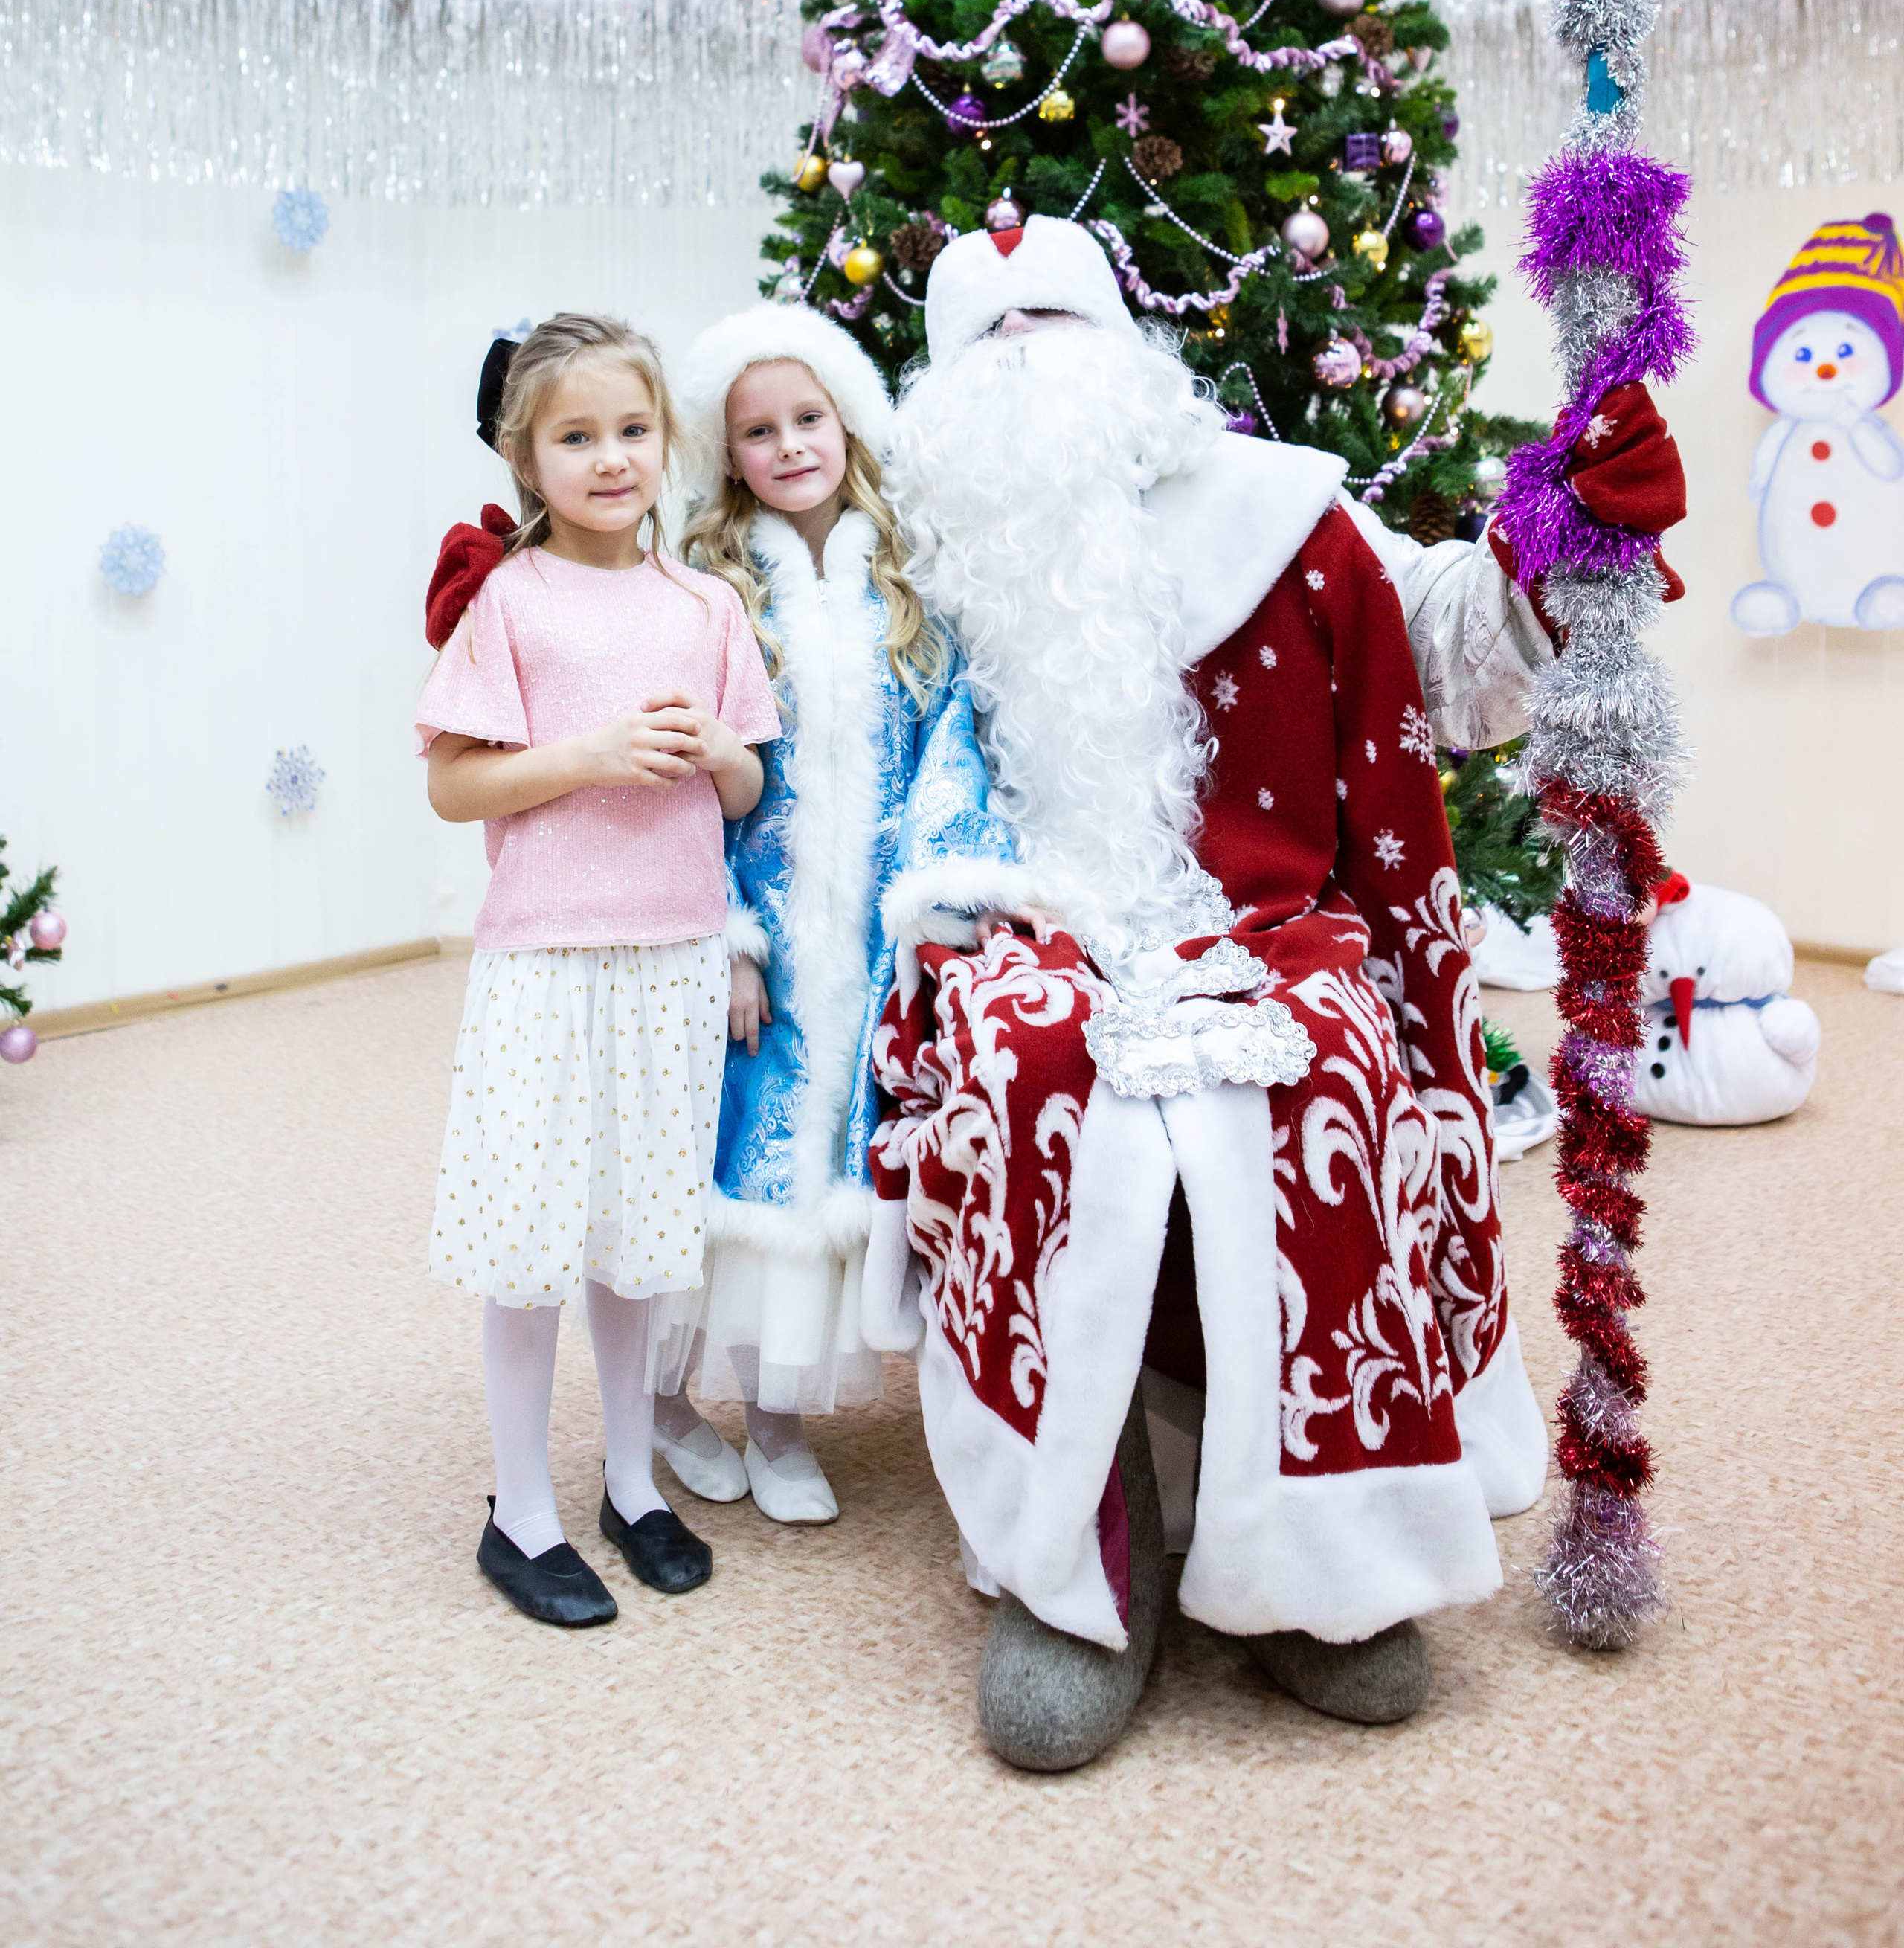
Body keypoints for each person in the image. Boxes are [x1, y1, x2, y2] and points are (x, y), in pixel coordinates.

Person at [859, 215, 1687, 1769]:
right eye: (990, 341)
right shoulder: (929, 556)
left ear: (1126, 349)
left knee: (1316, 1068)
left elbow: (1448, 659)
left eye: (1056, 324)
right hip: (1023, 919)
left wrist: (1560, 544)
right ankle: (1086, 1553)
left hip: (1274, 916)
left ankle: (1321, 1568)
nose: (1028, 363)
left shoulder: (1276, 509)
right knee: (1023, 1067)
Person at [416, 311, 781, 1627]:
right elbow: (456, 787)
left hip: (674, 956)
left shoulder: (707, 605)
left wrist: (712, 756)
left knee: (636, 1245)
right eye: (578, 436)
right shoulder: (511, 602)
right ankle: (521, 1512)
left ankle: (632, 1481)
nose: (611, 459)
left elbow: (747, 781)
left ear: (665, 444)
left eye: (633, 432)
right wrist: (589, 754)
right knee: (532, 1245)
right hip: (548, 957)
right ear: (529, 456)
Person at [641, 305, 1007, 1523]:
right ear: (728, 450)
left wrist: (938, 898)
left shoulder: (910, 585)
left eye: (810, 419)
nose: (791, 445)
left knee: (810, 1190)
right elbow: (694, 777)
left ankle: (781, 1424)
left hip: (860, 945)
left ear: (848, 424)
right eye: (760, 430)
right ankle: (662, 1405)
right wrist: (732, 936)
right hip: (749, 929)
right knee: (718, 1167)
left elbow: (960, 740)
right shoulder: (706, 592)